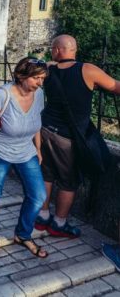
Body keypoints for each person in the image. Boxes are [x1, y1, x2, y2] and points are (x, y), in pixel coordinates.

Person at [35, 34, 120, 238]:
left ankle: (42, 216)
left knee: (45, 175)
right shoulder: (87, 70)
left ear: (56, 50)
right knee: (68, 181)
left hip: (44, 130)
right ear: (75, 49)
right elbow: (116, 87)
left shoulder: (47, 69)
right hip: (68, 137)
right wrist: (93, 84)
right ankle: (59, 224)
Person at [0, 57, 48, 257]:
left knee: (38, 195)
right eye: (36, 78)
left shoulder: (39, 94)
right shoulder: (2, 95)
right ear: (22, 76)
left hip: (26, 152)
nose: (40, 82)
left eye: (42, 78)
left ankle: (23, 234)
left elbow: (36, 122)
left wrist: (38, 149)